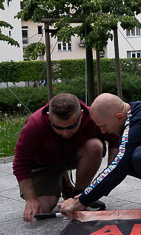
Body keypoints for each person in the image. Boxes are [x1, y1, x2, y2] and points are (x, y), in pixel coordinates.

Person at [13, 93, 118, 222]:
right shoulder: (35, 125)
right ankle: (62, 180)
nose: (66, 133)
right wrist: (31, 199)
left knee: (95, 146)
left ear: (82, 114)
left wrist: (111, 174)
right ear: (48, 117)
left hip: (74, 155)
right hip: (44, 164)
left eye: (72, 126)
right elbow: (20, 164)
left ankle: (77, 195)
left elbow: (115, 140)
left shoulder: (93, 118)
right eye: (58, 127)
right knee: (42, 209)